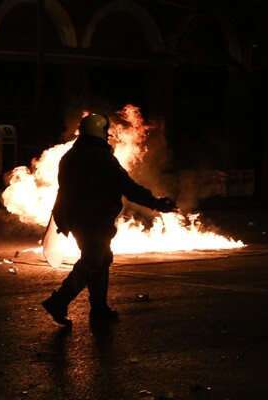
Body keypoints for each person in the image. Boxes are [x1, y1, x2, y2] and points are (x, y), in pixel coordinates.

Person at [42, 113, 178, 327]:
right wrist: (156, 203)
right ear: (99, 132)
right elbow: (127, 186)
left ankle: (99, 308)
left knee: (102, 258)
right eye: (105, 132)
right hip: (94, 219)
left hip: (75, 218)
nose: (107, 136)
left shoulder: (69, 156)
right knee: (93, 261)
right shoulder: (102, 158)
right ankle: (59, 301)